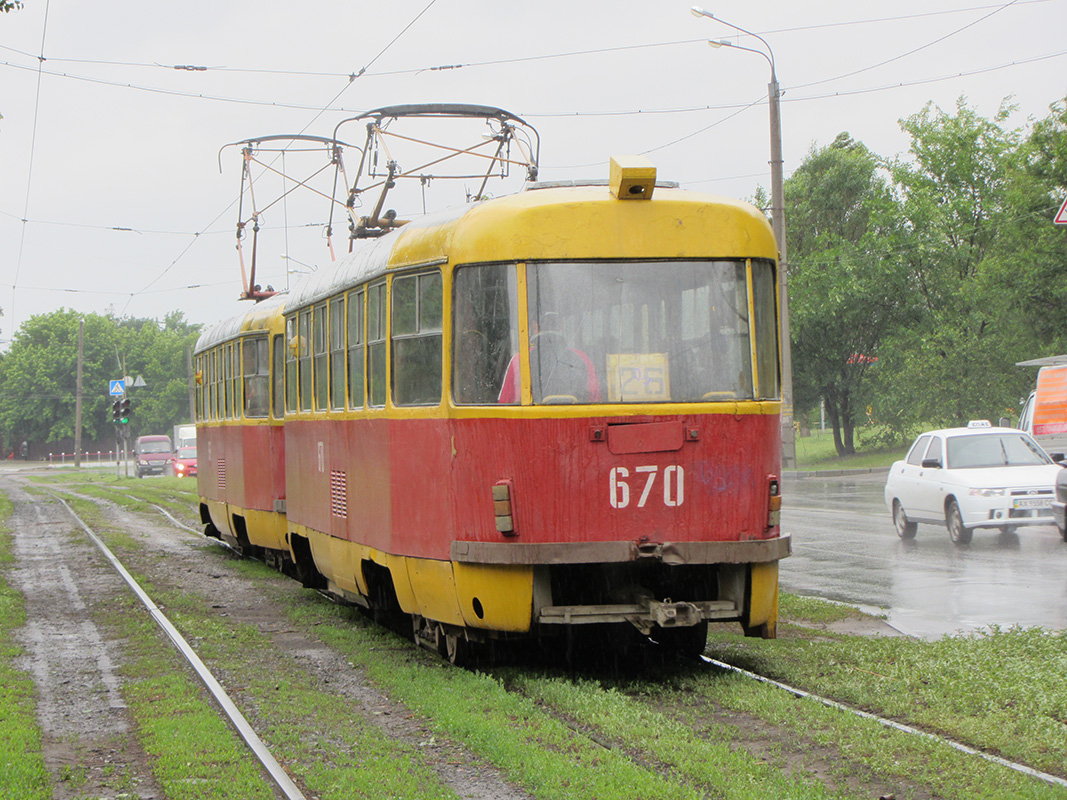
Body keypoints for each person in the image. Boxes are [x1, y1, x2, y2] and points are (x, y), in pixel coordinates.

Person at [498, 312, 601, 403]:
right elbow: (595, 398)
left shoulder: (519, 360)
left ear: (535, 326)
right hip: (576, 421)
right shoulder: (582, 358)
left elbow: (505, 402)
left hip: (531, 423)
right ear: (561, 326)